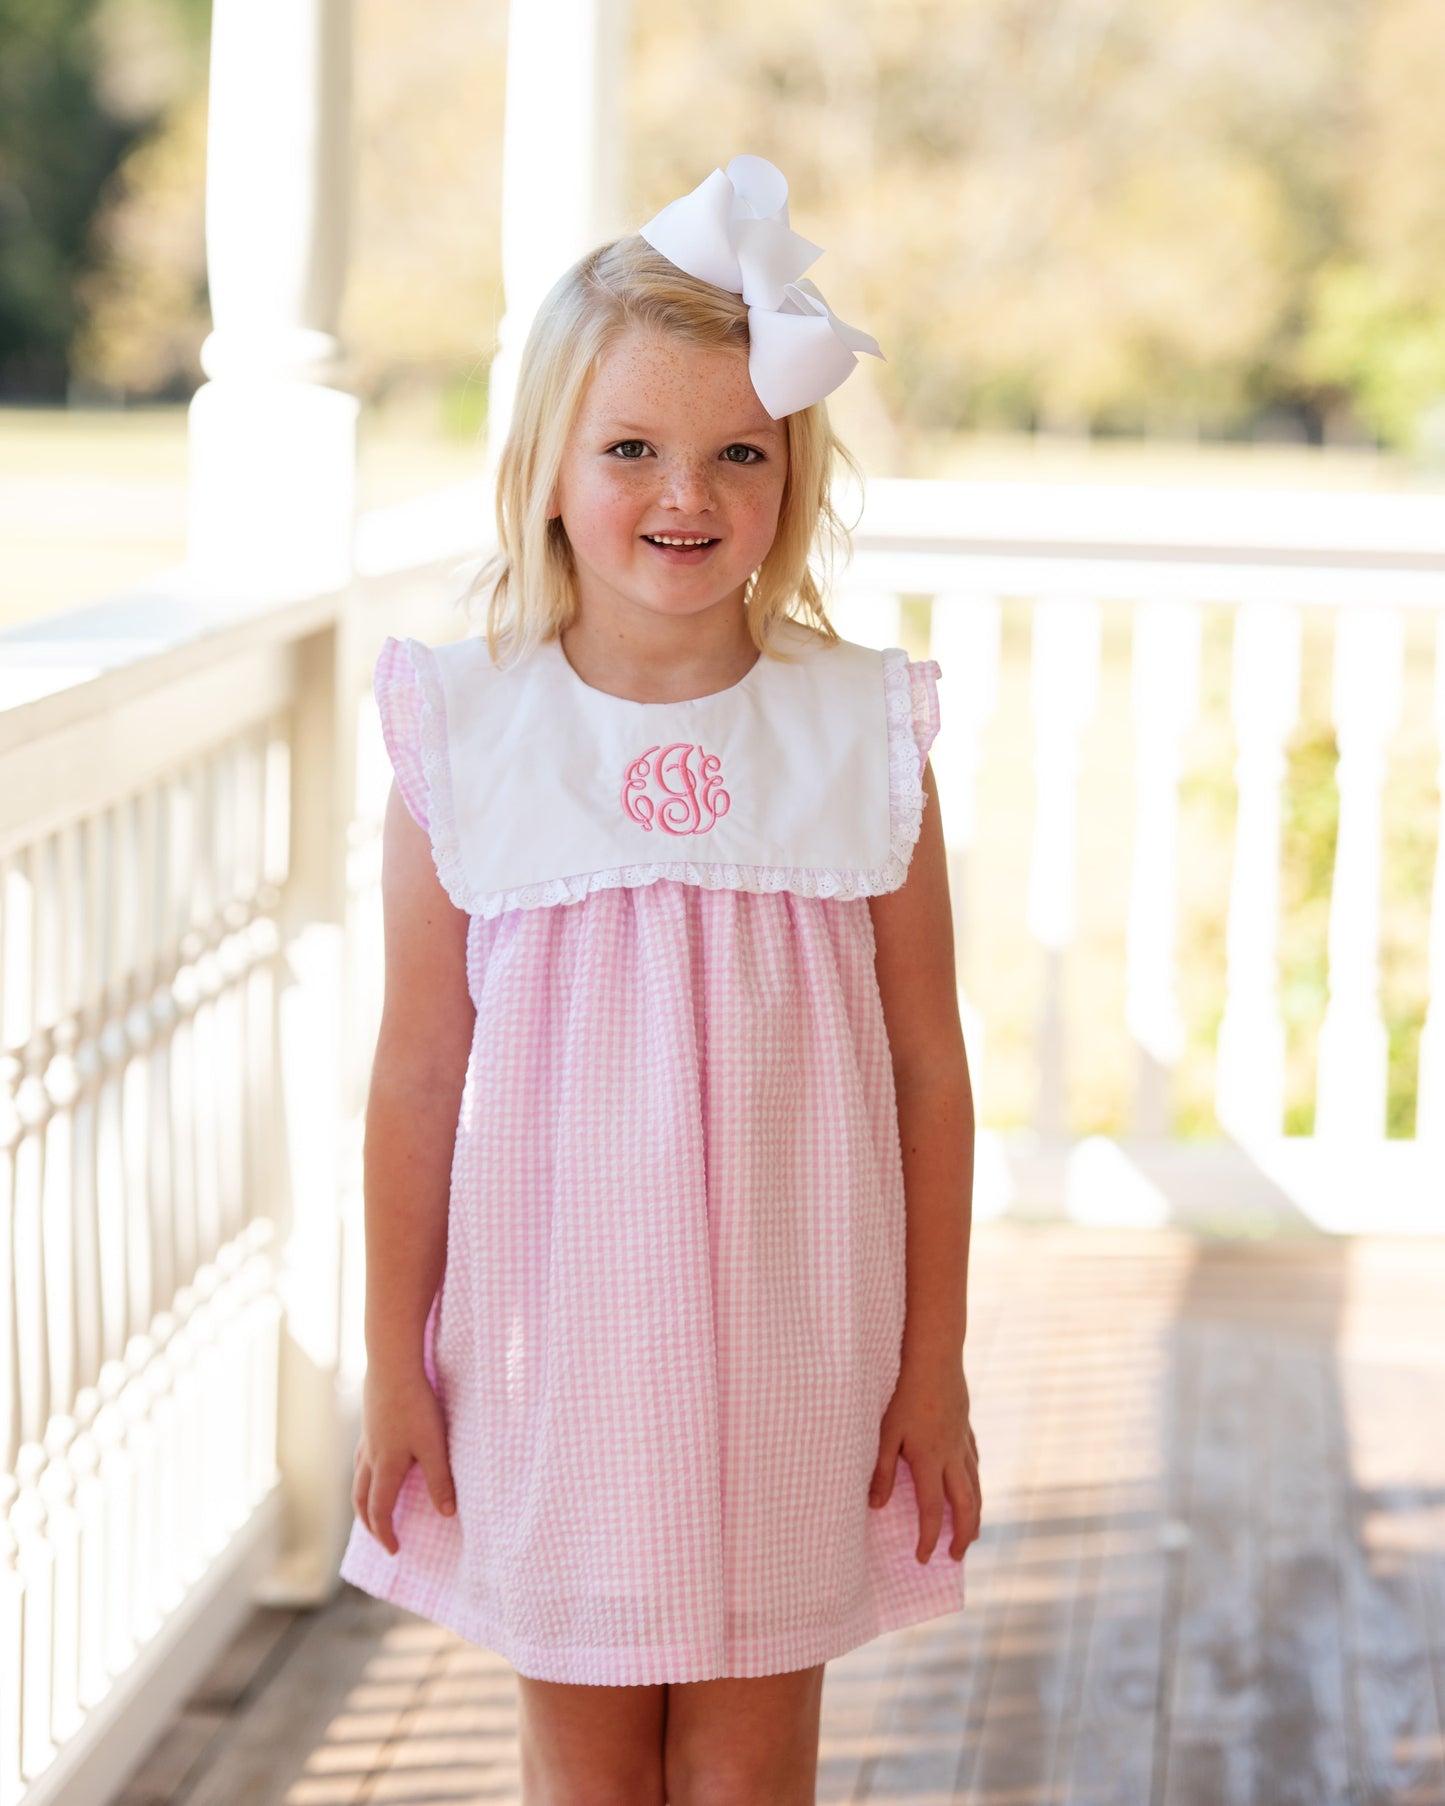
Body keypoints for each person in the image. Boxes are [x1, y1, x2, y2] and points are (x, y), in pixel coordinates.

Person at [340, 152, 981, 1805]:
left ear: (790, 471)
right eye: (629, 447)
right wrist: (395, 1355)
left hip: (797, 1349)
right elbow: (418, 1070)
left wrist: (932, 1363)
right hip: (556, 1355)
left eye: (735, 452)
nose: (682, 491)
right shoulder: (469, 735)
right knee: (589, 1764)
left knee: (750, 1761)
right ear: (547, 469)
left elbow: (927, 1062)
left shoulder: (854, 733)